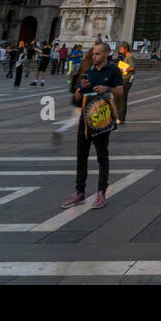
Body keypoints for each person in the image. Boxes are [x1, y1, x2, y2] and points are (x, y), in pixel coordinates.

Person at [61, 42, 126, 209]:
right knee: (81, 156)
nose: (93, 56)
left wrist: (107, 88)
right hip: (85, 119)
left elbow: (121, 91)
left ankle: (101, 192)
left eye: (97, 54)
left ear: (106, 54)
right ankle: (79, 192)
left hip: (102, 119)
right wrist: (79, 89)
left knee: (102, 156)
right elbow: (76, 96)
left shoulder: (113, 70)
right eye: (93, 54)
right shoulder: (88, 72)